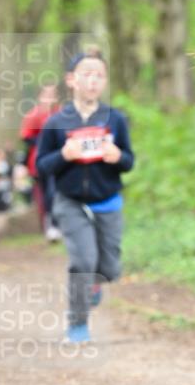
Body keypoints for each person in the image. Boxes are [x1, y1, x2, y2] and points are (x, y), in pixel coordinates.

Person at [35, 47, 135, 343]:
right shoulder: (55, 122)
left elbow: (129, 161)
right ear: (71, 80)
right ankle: (77, 324)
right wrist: (64, 154)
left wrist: (118, 156)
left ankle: (94, 284)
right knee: (82, 262)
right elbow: (42, 166)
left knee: (110, 269)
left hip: (108, 201)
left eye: (99, 75)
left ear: (104, 82)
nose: (93, 81)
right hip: (70, 201)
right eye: (86, 75)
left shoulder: (115, 119)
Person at [20, 83, 62, 240]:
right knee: (46, 193)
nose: (49, 98)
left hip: (59, 160)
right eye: (46, 94)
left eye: (52, 94)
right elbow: (26, 137)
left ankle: (57, 223)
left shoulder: (61, 113)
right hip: (38, 162)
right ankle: (49, 222)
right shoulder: (34, 115)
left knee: (55, 191)